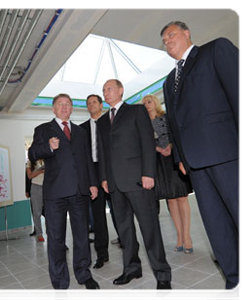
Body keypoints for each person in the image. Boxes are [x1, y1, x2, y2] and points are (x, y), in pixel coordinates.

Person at [160, 21, 243, 300]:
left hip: (227, 152)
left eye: (171, 34)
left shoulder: (215, 50)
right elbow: (173, 123)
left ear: (187, 33)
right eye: (163, 40)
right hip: (195, 165)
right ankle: (235, 285)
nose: (167, 41)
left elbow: (240, 90)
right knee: (216, 226)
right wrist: (180, 158)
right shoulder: (167, 81)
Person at [97, 79, 172, 298]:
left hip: (139, 180)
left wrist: (149, 173)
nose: (106, 93)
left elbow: (148, 142)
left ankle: (163, 275)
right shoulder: (102, 121)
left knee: (150, 229)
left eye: (109, 89)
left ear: (121, 91)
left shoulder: (136, 111)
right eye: (103, 90)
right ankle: (131, 268)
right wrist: (103, 178)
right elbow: (102, 152)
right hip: (114, 184)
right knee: (124, 231)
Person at [28, 93, 100, 300]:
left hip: (79, 192)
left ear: (71, 108)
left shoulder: (79, 131)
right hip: (55, 194)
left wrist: (93, 183)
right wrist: (48, 147)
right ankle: (60, 284)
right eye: (60, 104)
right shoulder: (43, 129)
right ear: (53, 109)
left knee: (81, 237)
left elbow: (87, 160)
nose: (64, 107)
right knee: (57, 240)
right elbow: (33, 153)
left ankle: (84, 274)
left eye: (68, 104)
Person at [142, 94, 193, 254]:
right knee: (170, 199)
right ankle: (179, 236)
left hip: (173, 158)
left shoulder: (166, 117)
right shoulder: (143, 123)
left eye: (149, 102)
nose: (146, 105)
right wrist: (158, 149)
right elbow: (143, 142)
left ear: (155, 102)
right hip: (158, 161)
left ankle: (187, 236)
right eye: (144, 103)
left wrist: (170, 146)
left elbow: (176, 134)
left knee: (181, 196)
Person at [80, 94, 112, 269]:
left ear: (101, 105)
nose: (91, 104)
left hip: (113, 172)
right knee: (98, 217)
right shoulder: (82, 129)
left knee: (120, 213)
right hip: (93, 173)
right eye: (88, 103)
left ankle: (127, 245)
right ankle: (102, 254)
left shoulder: (111, 121)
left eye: (94, 102)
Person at [26, 159, 45, 242]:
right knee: (36, 212)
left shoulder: (47, 158)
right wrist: (40, 171)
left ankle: (52, 233)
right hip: (36, 187)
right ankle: (39, 234)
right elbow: (29, 176)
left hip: (48, 187)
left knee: (50, 212)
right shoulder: (31, 161)